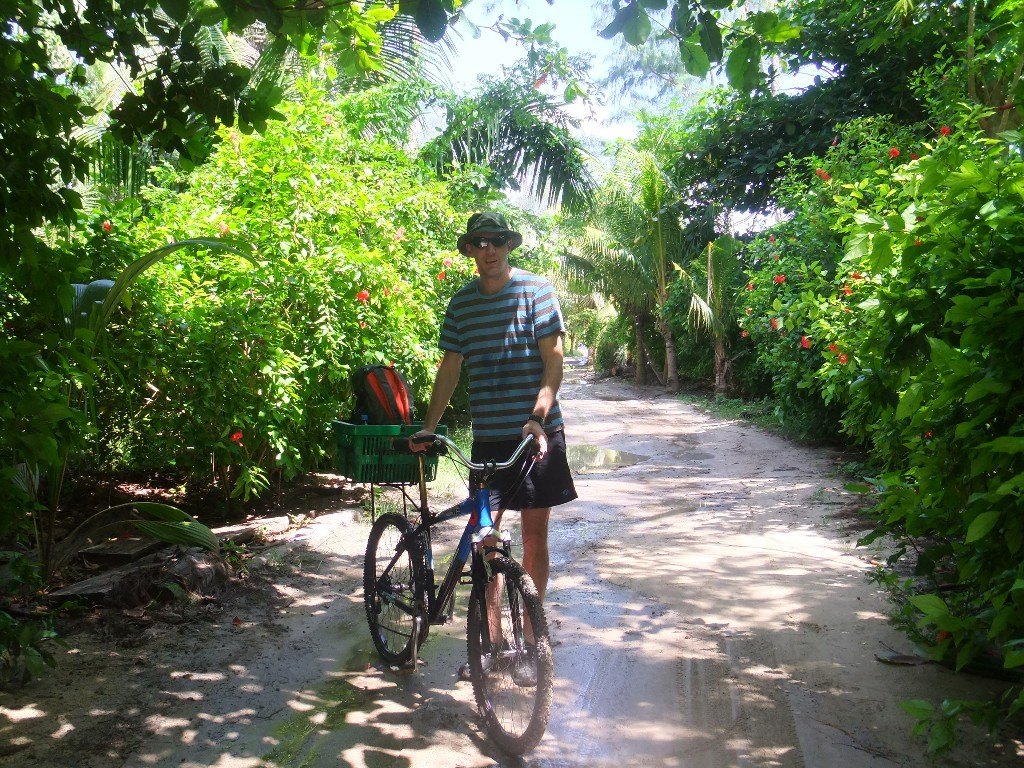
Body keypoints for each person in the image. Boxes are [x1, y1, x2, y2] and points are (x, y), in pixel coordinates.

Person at [412, 211, 578, 684]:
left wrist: (538, 417)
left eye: (497, 241)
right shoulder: (461, 304)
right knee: (486, 543)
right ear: (469, 249)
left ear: (509, 245)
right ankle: (493, 645)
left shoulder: (536, 291)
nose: (489, 249)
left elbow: (555, 362)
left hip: (536, 434)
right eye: (480, 242)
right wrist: (429, 426)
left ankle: (531, 643)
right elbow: (450, 368)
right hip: (487, 440)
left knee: (532, 541)